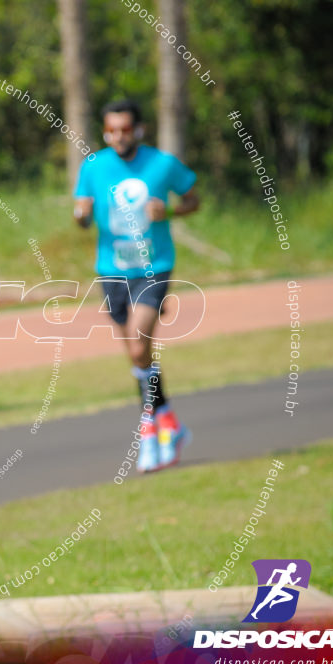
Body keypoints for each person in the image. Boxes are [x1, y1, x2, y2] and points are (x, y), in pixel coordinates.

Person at [72, 99, 199, 473]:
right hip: (111, 270)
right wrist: (80, 216)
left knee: (138, 342)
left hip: (152, 265)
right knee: (135, 353)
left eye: (125, 130)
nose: (118, 137)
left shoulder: (162, 164)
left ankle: (147, 431)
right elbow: (81, 210)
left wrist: (172, 211)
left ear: (138, 130)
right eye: (111, 130)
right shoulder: (94, 165)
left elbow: (193, 198)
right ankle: (169, 421)